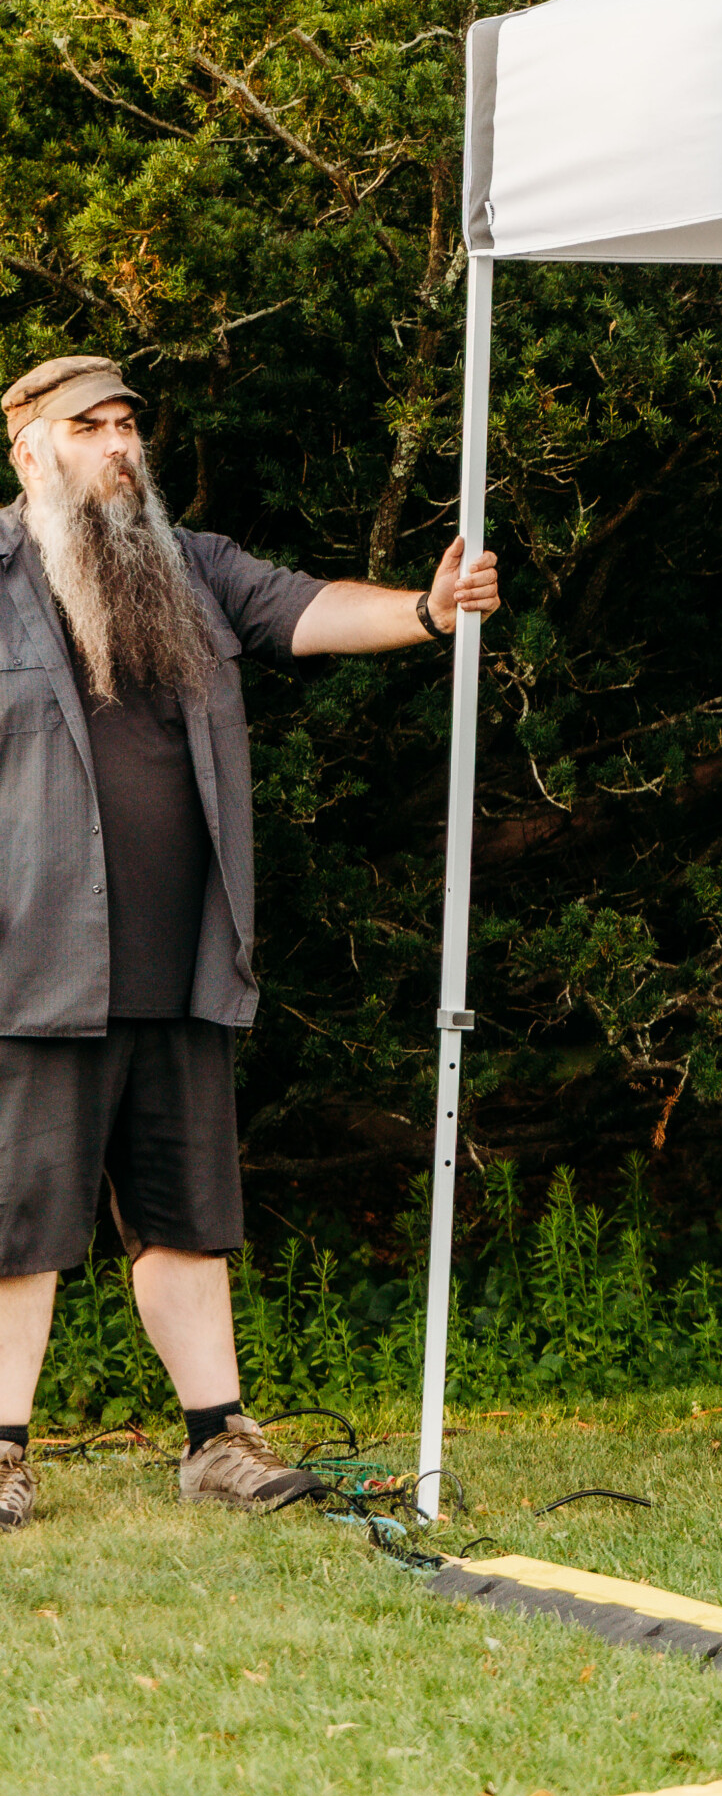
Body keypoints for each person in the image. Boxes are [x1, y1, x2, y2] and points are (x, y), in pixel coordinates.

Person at [0, 356, 503, 1529]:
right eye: (88, 427)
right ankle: (3, 1450)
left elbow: (309, 610)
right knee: (18, 1222)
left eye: (127, 425)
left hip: (182, 962)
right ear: (28, 448)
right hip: (33, 966)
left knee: (188, 1215)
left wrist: (428, 611)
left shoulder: (194, 566)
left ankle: (218, 1441)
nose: (118, 444)